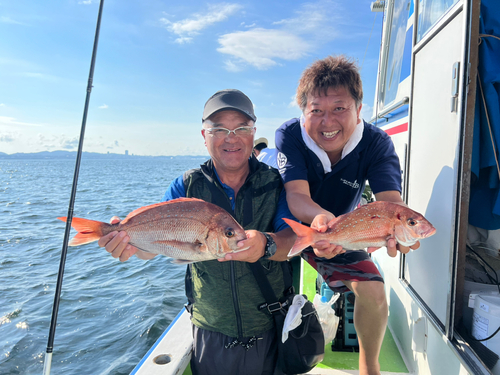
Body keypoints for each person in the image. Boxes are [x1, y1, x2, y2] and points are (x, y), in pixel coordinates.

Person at [98, 89, 297, 375]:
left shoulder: (275, 183)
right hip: (210, 329)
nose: (231, 137)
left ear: (253, 134)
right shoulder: (186, 186)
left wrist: (264, 245)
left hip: (269, 326)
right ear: (204, 136)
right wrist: (127, 244)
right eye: (219, 129)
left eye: (241, 128)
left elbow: (292, 241)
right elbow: (151, 248)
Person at [275, 55, 420, 375]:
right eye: (316, 111)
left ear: (358, 108)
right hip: (290, 224)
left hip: (341, 233)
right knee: (263, 270)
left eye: (339, 108)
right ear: (303, 112)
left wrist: (400, 232)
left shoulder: (376, 143)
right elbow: (296, 195)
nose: (328, 122)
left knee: (374, 290)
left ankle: (369, 366)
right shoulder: (290, 135)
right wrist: (322, 220)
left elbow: (390, 203)